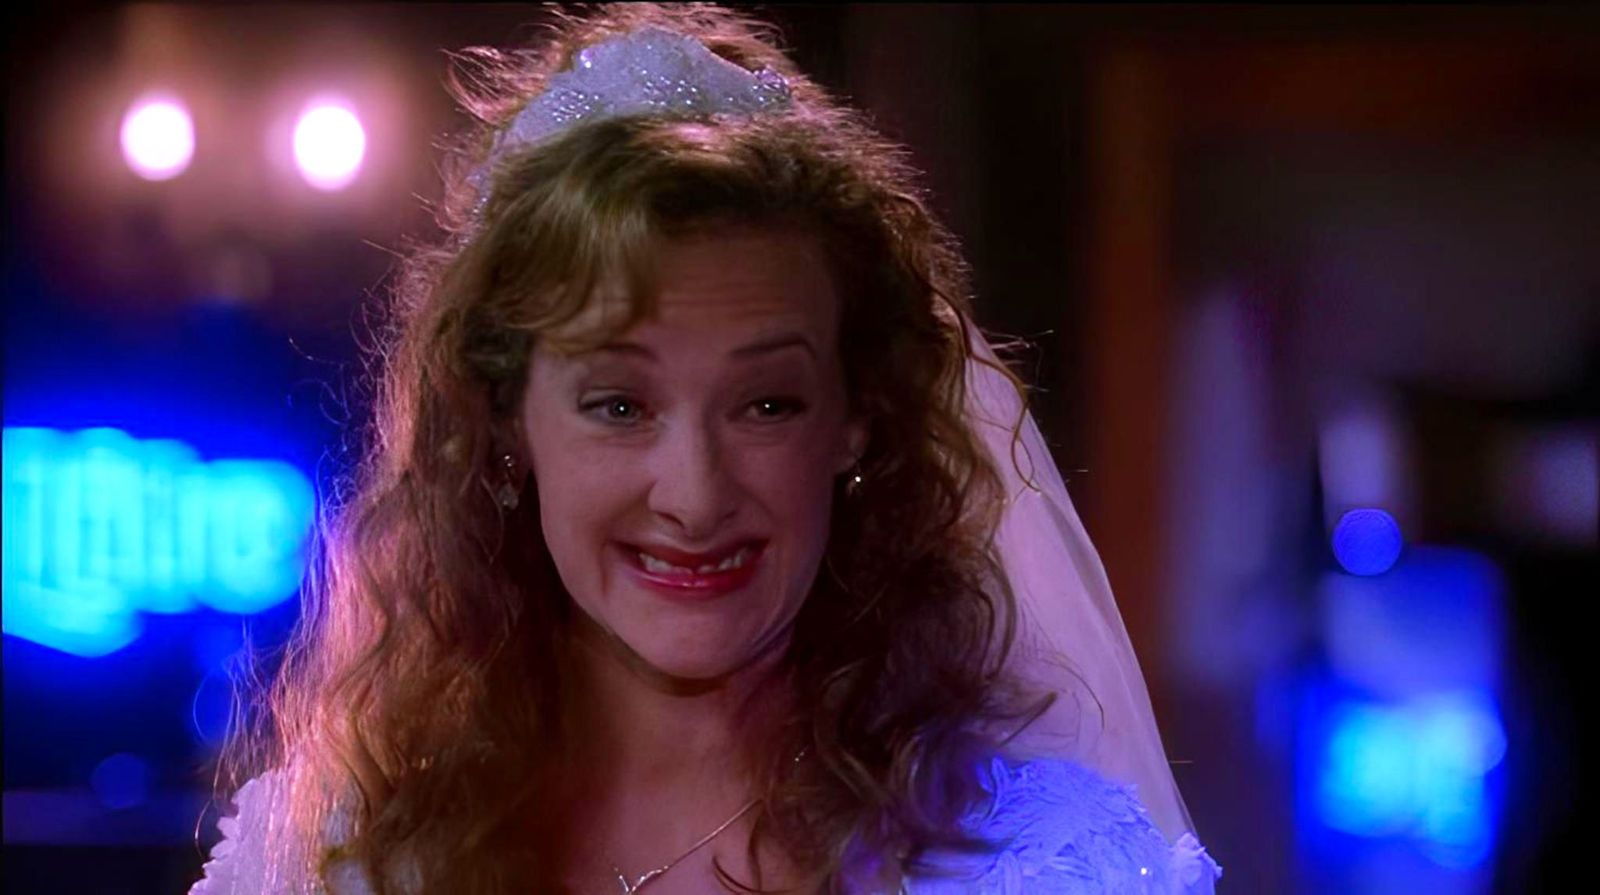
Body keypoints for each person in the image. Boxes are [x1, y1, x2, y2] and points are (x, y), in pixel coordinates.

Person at [190, 4, 1223, 893]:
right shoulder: (335, 855)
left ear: (857, 421)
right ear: (504, 425)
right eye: (619, 405)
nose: (694, 494)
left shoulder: (1034, 861)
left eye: (766, 404)